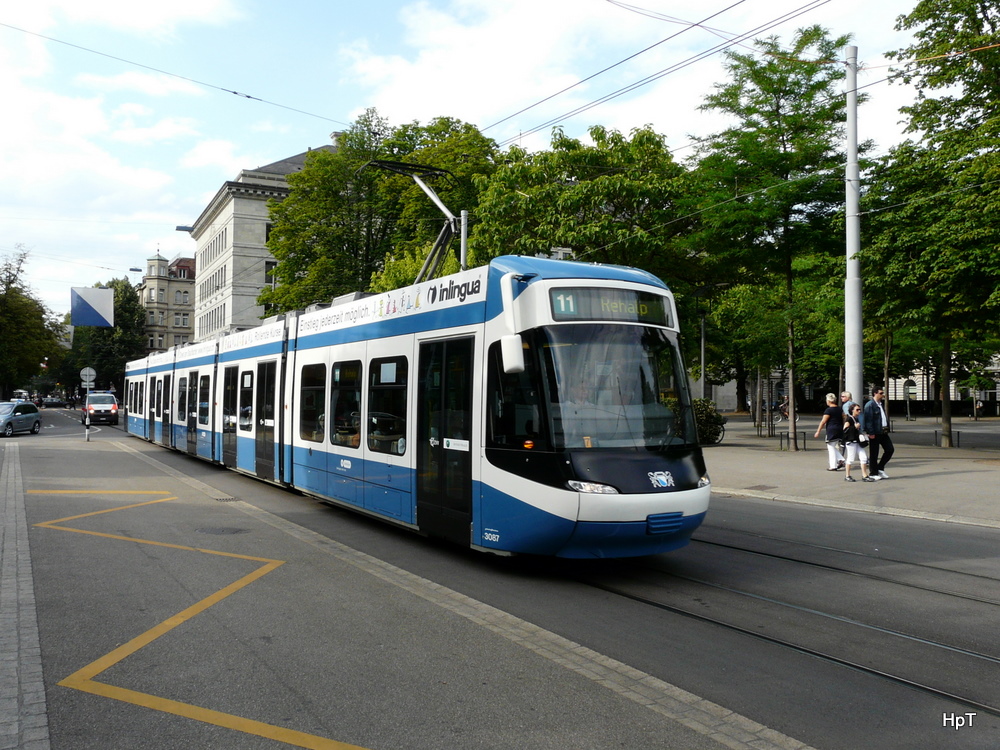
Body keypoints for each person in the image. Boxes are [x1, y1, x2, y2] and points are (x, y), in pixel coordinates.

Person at [863, 386, 895, 480]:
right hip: (875, 432)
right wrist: (870, 432)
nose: (882, 395)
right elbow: (868, 420)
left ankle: (880, 468)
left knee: (890, 449)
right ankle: (873, 473)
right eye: (881, 393)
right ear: (875, 393)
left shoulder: (880, 404)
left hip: (883, 431)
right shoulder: (870, 405)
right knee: (874, 453)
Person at [842, 404, 877, 482]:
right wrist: (854, 427)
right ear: (852, 410)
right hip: (851, 442)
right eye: (857, 409)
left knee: (863, 457)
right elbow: (845, 430)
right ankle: (847, 475)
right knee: (850, 458)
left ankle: (865, 475)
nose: (859, 411)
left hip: (857, 441)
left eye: (859, 409)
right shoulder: (849, 419)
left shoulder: (856, 418)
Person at [814, 393, 845, 471]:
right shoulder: (840, 409)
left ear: (828, 401)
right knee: (832, 446)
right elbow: (844, 418)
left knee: (830, 447)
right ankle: (840, 459)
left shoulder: (828, 410)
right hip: (839, 429)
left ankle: (833, 465)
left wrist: (818, 431)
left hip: (831, 430)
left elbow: (823, 421)